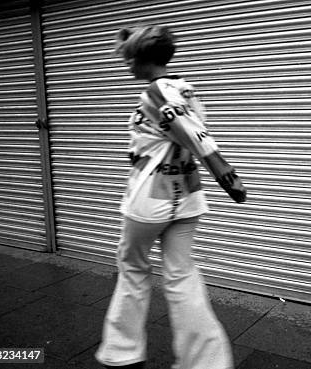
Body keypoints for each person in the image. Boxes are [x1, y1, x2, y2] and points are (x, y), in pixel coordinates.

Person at [95, 25, 245, 369]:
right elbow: (187, 130)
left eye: (129, 59)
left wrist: (226, 174)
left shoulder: (155, 91)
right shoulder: (186, 88)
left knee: (132, 269)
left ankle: (122, 351)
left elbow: (191, 132)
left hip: (149, 199)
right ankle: (206, 361)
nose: (127, 66)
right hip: (186, 198)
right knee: (182, 275)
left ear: (141, 59)